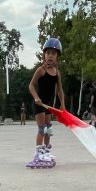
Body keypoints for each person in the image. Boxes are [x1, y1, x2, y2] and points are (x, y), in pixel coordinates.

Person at [27, 37, 66, 168]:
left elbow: (60, 90)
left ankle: (46, 152)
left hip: (48, 105)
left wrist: (63, 106)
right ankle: (38, 154)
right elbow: (31, 85)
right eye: (48, 53)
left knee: (49, 129)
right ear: (44, 54)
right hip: (39, 104)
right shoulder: (41, 70)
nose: (50, 56)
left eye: (53, 53)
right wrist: (36, 97)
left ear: (57, 57)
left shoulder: (57, 73)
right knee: (41, 128)